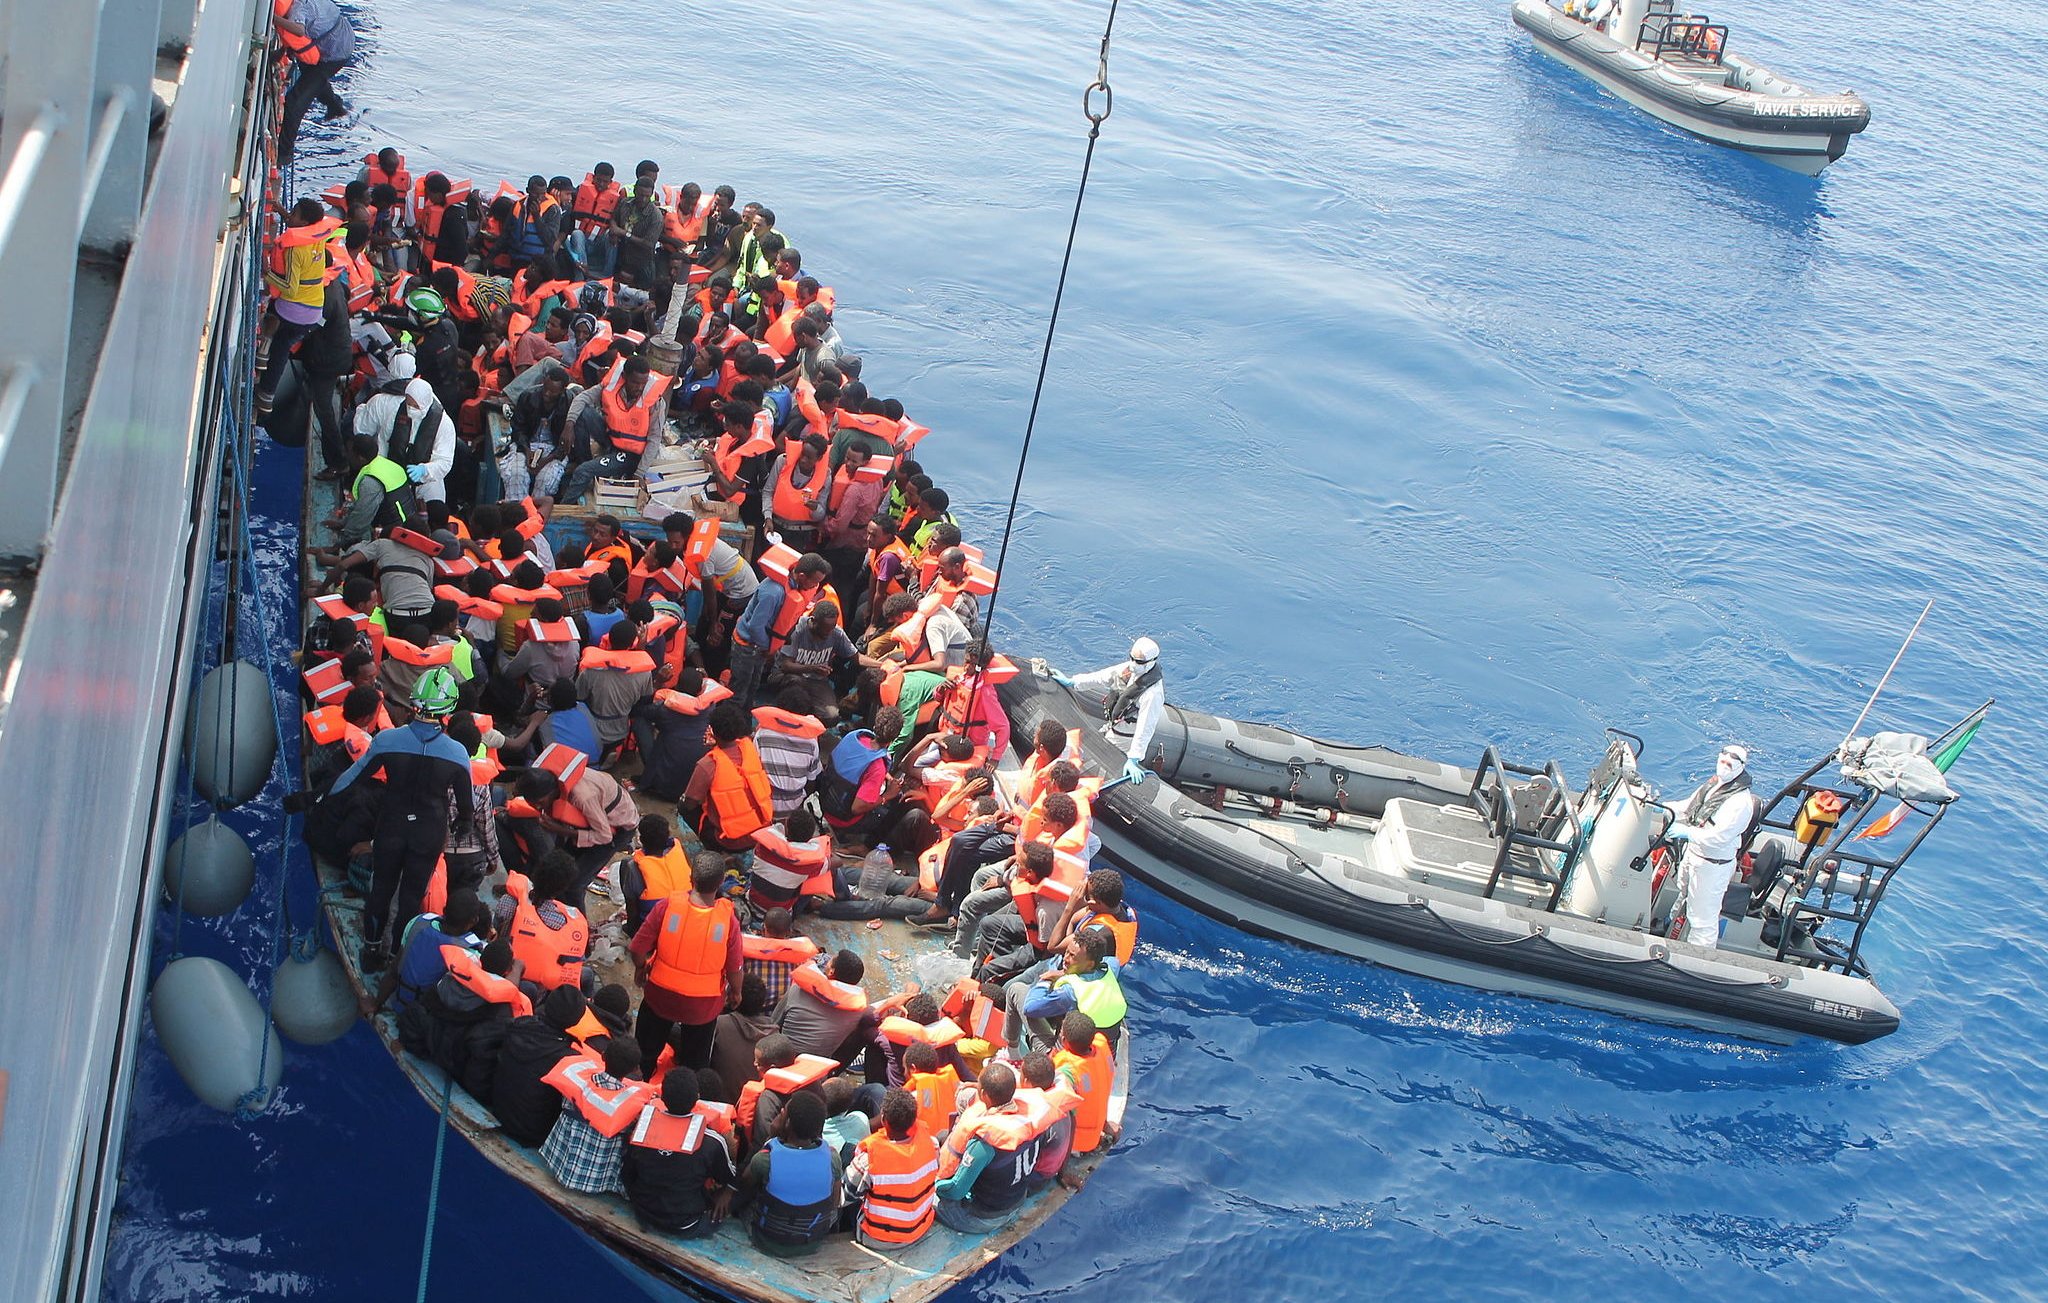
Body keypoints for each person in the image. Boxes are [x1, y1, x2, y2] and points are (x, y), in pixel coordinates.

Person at [328, 667, 474, 970]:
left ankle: (370, 952)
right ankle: (396, 955)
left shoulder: (386, 740)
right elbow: (466, 809)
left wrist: (316, 799)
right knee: (410, 897)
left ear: (414, 702)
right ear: (449, 710)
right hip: (428, 833)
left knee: (380, 889)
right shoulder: (458, 754)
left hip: (391, 827)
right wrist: (463, 826)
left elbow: (349, 780)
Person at [630, 855, 744, 1074]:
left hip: (659, 998)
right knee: (695, 1065)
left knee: (644, 1054)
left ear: (690, 879)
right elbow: (734, 968)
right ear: (721, 883)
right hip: (702, 1008)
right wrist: (736, 992)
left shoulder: (667, 906)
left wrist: (640, 967)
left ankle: (640, 1080)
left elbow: (636, 948)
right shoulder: (728, 921)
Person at [621, 1068, 739, 1237]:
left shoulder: (642, 1129)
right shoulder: (712, 1141)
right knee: (737, 1196)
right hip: (686, 1223)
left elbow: (627, 1174)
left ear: (663, 1098)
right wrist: (728, 1192)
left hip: (643, 1211)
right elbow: (729, 1178)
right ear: (697, 1099)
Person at [932, 1062, 1047, 1232]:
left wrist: (933, 1185)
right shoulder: (1035, 1120)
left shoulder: (984, 1143)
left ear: (984, 1094)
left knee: (929, 1198)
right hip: (1017, 1198)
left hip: (985, 1218)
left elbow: (956, 1191)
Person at [1666, 744, 1758, 948]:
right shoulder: (1714, 785)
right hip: (1694, 855)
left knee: (1702, 920)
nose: (1724, 766)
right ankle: (1668, 930)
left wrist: (1687, 832)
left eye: (1730, 764)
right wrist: (1666, 807)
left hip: (1711, 865)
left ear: (1740, 767)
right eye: (1722, 761)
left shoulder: (1739, 803)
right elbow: (1690, 807)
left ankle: (1697, 960)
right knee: (1683, 894)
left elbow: (1718, 837)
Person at [1039, 637, 1163, 785]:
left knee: (1097, 766)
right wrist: (1074, 682)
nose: (1133, 664)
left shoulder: (1153, 693)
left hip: (1125, 737)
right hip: (1113, 727)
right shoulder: (1128, 670)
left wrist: (1134, 758)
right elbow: (1102, 676)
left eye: (1139, 662)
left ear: (1151, 661)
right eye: (1132, 658)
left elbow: (1146, 727)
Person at [539, 1037, 653, 1194]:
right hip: (596, 1181)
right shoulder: (634, 1104)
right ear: (634, 1069)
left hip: (557, 1160)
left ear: (603, 1056)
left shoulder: (575, 1076)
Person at [741, 1091, 841, 1256]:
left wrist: (770, 1138)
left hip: (767, 1241)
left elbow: (745, 1184)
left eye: (782, 1113)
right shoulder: (832, 1158)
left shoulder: (765, 1159)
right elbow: (834, 1202)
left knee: (745, 1202)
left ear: (787, 1123)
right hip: (812, 1243)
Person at [489, 985, 586, 1147]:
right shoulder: (568, 1060)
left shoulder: (517, 1025)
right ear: (576, 1020)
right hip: (532, 1134)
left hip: (498, 1110)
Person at [844, 1087, 938, 1249]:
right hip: (920, 1228)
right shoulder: (932, 1143)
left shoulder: (868, 1159)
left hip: (879, 1239)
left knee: (848, 1154)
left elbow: (845, 1196)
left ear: (883, 1119)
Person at [679, 701, 776, 856]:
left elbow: (690, 803)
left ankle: (715, 849)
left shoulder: (707, 764)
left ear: (713, 732)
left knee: (683, 806)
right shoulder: (748, 747)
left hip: (730, 841)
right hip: (760, 832)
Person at [274, 0, 355, 167]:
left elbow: (298, 30)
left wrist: (272, 18)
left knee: (295, 102)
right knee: (312, 80)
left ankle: (284, 155)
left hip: (334, 54)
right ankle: (335, 106)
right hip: (339, 38)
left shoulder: (299, 7)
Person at [1019, 928, 1127, 1052]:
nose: (1065, 959)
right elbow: (1114, 961)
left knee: (1017, 989)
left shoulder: (1069, 992)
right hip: (1104, 1055)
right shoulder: (1110, 969)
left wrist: (1046, 980)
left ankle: (1012, 1050)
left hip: (1063, 1059)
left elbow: (1030, 1008)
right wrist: (1063, 973)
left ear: (1090, 964)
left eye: (1072, 956)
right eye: (1066, 952)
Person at [774, 949, 873, 1067]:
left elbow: (773, 1022)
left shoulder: (798, 989)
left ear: (831, 971)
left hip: (780, 1059)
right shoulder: (859, 1009)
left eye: (829, 961)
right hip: (817, 1068)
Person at [769, 600, 858, 724]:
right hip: (788, 676)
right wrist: (811, 668)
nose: (828, 633)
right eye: (825, 629)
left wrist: (882, 663)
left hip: (816, 680)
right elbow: (785, 665)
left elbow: (857, 657)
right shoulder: (797, 630)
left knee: (831, 716)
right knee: (796, 683)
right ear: (814, 621)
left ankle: (809, 712)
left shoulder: (836, 632)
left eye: (831, 629)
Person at [711, 974, 776, 1104]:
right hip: (752, 1111)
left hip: (721, 1105)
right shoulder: (776, 1036)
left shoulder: (718, 1025)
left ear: (734, 998)